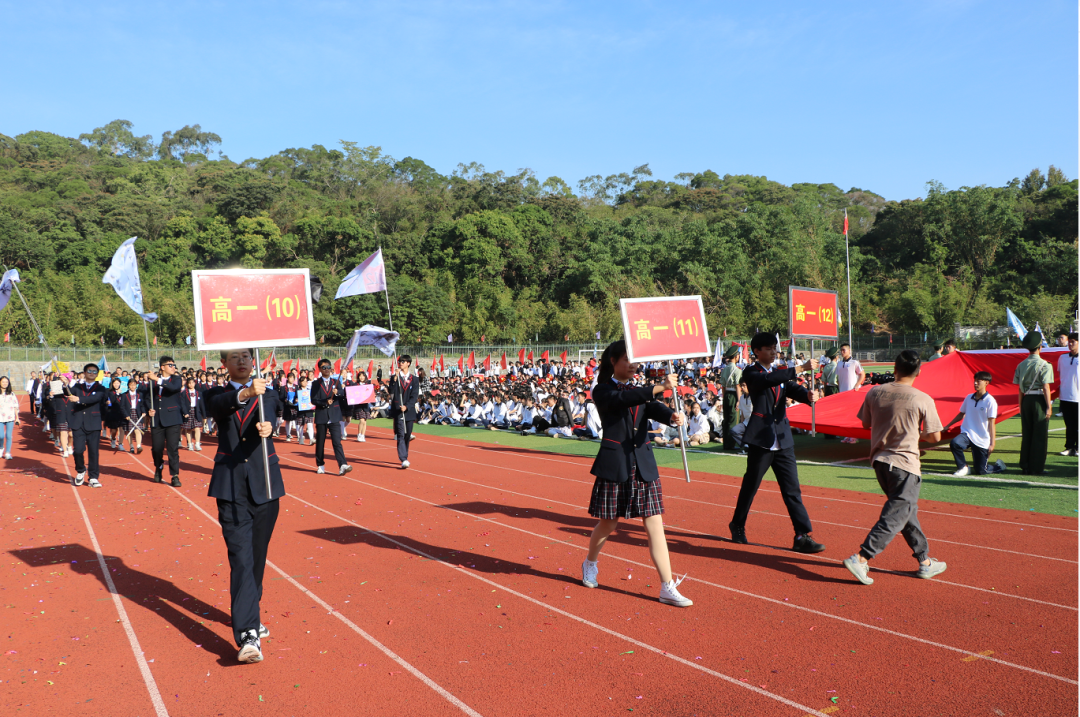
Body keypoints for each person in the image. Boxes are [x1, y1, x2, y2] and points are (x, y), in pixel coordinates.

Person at [582, 340, 692, 608]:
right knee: (609, 524)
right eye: (627, 360)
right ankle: (590, 563)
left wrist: (672, 416)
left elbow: (652, 407)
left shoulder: (639, 391)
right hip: (615, 463)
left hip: (642, 464)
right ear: (613, 361)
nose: (633, 365)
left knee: (655, 524)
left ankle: (667, 586)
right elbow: (624, 400)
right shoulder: (602, 390)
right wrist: (660, 387)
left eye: (635, 361)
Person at [205, 347, 285, 664]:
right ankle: (248, 634)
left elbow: (279, 415)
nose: (242, 361)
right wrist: (247, 393)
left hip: (266, 486)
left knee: (257, 560)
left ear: (253, 361)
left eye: (246, 357)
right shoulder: (215, 393)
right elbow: (218, 408)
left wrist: (270, 428)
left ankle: (251, 607)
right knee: (241, 559)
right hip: (231, 489)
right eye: (234, 357)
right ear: (224, 363)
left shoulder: (269, 392)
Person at [843, 349, 947, 585]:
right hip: (905, 464)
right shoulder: (922, 398)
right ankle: (862, 557)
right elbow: (935, 437)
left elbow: (866, 423)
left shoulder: (875, 392)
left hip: (880, 462)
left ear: (894, 369)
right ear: (918, 372)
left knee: (906, 513)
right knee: (896, 515)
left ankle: (925, 561)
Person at [727, 332, 825, 554]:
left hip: (783, 440)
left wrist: (808, 396)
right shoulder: (751, 372)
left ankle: (802, 535)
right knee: (751, 486)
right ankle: (738, 524)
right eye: (769, 349)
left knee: (792, 490)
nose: (774, 352)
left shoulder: (779, 372)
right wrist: (799, 369)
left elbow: (790, 388)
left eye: (775, 348)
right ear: (756, 352)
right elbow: (768, 381)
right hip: (761, 440)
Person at [942, 371, 1005, 476]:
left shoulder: (990, 401)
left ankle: (998, 466)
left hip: (982, 439)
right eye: (975, 380)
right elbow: (961, 414)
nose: (975, 383)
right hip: (967, 433)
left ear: (986, 382)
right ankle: (963, 467)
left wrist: (992, 444)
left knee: (981, 471)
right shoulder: (969, 397)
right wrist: (948, 425)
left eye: (978, 381)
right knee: (955, 443)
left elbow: (991, 424)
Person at [1013, 331, 1054, 475]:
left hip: (1026, 400)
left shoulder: (1021, 364)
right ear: (1040, 347)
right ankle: (1036, 467)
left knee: (1027, 433)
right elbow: (1046, 387)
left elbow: (1019, 389)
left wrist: (1020, 406)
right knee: (1039, 435)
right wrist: (1049, 406)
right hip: (1038, 400)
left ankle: (1025, 465)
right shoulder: (1045, 365)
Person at [141, 356, 184, 487]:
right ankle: (158, 467)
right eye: (170, 365)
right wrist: (150, 409)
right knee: (157, 448)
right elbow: (148, 398)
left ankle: (174, 475)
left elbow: (173, 388)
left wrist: (158, 379)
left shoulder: (176, 379)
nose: (173, 367)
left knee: (172, 448)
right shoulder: (152, 382)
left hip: (173, 419)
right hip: (157, 419)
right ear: (162, 367)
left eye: (174, 365)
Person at [68, 364, 109, 488]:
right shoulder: (77, 386)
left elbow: (94, 398)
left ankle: (93, 477)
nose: (91, 373)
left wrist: (78, 399)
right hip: (78, 422)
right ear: (84, 373)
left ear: (97, 374)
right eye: (89, 371)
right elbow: (68, 393)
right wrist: (64, 383)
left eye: (94, 371)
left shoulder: (101, 388)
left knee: (93, 452)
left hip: (94, 423)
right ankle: (80, 470)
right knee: (78, 450)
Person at [311, 359, 351, 475]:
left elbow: (343, 393)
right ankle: (320, 464)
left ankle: (342, 464)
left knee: (337, 442)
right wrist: (324, 402)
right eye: (324, 367)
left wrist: (337, 392)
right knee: (320, 443)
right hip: (321, 416)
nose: (327, 369)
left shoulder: (336, 381)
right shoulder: (315, 383)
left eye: (328, 367)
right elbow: (313, 400)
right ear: (319, 369)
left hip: (334, 416)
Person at [388, 355, 420, 469]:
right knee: (401, 434)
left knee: (407, 435)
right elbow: (390, 390)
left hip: (409, 411)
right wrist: (395, 378)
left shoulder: (414, 379)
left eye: (403, 361)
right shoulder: (395, 377)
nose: (400, 363)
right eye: (399, 361)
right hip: (398, 410)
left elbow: (414, 395)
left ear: (408, 363)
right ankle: (403, 457)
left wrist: (407, 406)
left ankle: (404, 454)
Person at [835, 343, 864, 444]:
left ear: (849, 350)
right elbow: (838, 378)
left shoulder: (854, 362)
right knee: (845, 415)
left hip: (852, 392)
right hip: (843, 393)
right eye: (841, 350)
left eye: (844, 350)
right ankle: (848, 435)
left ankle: (854, 436)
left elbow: (862, 374)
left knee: (853, 414)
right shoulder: (839, 363)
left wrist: (857, 385)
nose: (842, 352)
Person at [1057, 333, 1078, 457]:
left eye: (1073, 342)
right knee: (1069, 425)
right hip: (1065, 396)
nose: (1070, 344)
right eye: (1069, 341)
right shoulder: (1062, 358)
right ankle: (1069, 447)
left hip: (1078, 397)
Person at [718, 346, 742, 451]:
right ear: (736, 357)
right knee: (733, 420)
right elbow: (738, 386)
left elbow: (722, 386)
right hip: (733, 395)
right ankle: (731, 444)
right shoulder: (736, 370)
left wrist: (723, 398)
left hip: (726, 394)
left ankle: (726, 444)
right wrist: (739, 400)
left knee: (726, 419)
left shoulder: (724, 369)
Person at [121, 377, 147, 454]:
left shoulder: (139, 394)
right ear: (128, 385)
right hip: (128, 414)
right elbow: (122, 406)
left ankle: (138, 446)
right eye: (131, 385)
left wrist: (143, 412)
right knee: (129, 431)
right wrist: (125, 415)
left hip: (137, 413)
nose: (132, 386)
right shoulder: (124, 395)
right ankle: (131, 446)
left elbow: (142, 405)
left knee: (138, 429)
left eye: (134, 385)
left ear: (136, 385)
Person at [181, 377, 206, 451]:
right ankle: (190, 444)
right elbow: (182, 404)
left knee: (197, 428)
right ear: (187, 384)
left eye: (192, 383)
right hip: (188, 411)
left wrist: (204, 415)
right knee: (188, 429)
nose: (191, 384)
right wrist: (185, 412)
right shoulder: (184, 393)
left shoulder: (198, 393)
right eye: (189, 383)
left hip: (196, 411)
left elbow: (201, 404)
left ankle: (197, 443)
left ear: (195, 383)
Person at [0, 376, 19, 459]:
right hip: (0, 418)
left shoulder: (11, 394)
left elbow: (15, 406)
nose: (5, 383)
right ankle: (1, 447)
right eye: (3, 382)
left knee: (8, 436)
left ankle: (8, 452)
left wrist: (17, 418)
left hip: (10, 417)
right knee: (1, 436)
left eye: (6, 382)